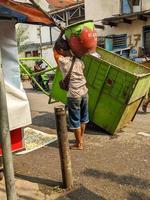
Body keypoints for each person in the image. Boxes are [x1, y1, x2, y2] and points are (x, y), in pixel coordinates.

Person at [53, 36, 89, 150]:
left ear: (62, 50)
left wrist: (60, 37)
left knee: (75, 120)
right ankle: (81, 139)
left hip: (74, 95)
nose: (58, 53)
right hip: (84, 93)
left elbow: (54, 52)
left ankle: (79, 144)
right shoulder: (79, 61)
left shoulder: (63, 62)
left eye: (59, 51)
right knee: (83, 118)